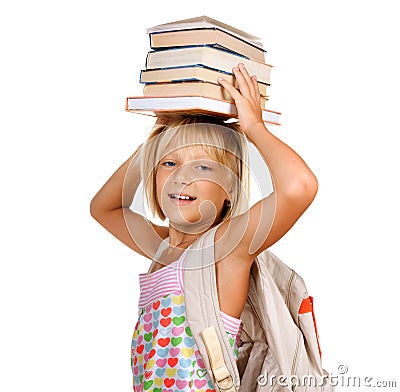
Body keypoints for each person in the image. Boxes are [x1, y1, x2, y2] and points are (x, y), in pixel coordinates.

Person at [90, 63, 319, 391]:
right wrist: (158, 140)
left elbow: (300, 186)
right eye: (169, 163)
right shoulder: (161, 248)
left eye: (203, 166)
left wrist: (253, 125)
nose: (182, 176)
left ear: (229, 189)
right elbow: (103, 208)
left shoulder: (226, 248)